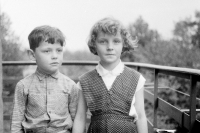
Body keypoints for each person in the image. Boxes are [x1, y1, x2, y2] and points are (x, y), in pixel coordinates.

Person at [73, 17, 148, 133]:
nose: (110, 47)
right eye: (103, 41)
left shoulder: (136, 78)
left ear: (124, 44)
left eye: (116, 41)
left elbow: (141, 116)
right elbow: (80, 117)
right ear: (94, 44)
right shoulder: (85, 81)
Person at [11, 25, 79, 133]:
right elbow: (16, 122)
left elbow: (77, 120)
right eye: (47, 51)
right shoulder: (23, 85)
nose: (55, 56)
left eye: (59, 50)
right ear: (32, 55)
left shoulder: (70, 85)